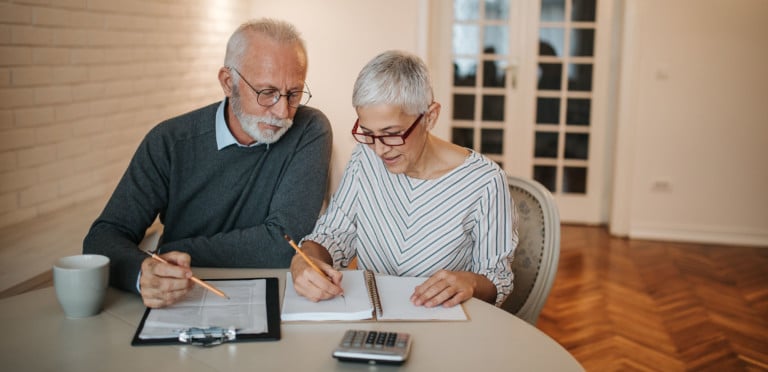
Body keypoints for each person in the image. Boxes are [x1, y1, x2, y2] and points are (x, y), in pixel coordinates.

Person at [83, 18, 333, 308]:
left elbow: (283, 244)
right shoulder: (169, 142)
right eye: (267, 93)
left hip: (276, 298)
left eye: (294, 93)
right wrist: (143, 272)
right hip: (182, 300)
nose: (282, 111)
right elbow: (102, 238)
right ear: (229, 82)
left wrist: (172, 249)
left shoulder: (309, 129)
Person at [290, 50, 516, 308]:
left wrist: (471, 283)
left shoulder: (485, 182)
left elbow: (498, 278)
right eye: (368, 133)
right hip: (372, 320)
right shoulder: (365, 158)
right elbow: (333, 234)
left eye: (392, 134)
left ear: (430, 116)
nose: (380, 149)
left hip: (443, 325)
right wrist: (304, 258)